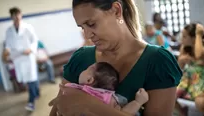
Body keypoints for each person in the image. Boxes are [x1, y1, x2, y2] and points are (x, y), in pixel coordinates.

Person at [49, 0, 182, 116]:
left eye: (91, 24)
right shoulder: (81, 58)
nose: (88, 35)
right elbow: (57, 111)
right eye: (82, 28)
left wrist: (90, 105)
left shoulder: (158, 61)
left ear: (117, 10)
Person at [61, 62, 148, 116]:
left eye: (86, 69)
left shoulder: (76, 89)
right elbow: (124, 113)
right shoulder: (110, 98)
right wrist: (138, 102)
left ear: (89, 80)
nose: (82, 71)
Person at [4, 7, 39, 111]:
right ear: (11, 17)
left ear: (21, 15)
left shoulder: (28, 27)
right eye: (14, 15)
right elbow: (8, 44)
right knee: (28, 79)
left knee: (31, 79)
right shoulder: (9, 30)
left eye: (18, 14)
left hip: (28, 57)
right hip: (18, 58)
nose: (16, 17)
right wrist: (6, 51)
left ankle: (31, 102)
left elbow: (35, 40)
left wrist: (31, 49)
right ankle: (36, 92)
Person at [177, 23, 204, 113]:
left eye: (184, 37)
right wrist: (181, 62)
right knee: (168, 95)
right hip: (186, 83)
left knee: (200, 102)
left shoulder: (201, 49)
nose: (182, 39)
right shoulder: (185, 49)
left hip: (199, 85)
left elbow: (199, 55)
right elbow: (178, 68)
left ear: (193, 39)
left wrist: (199, 34)